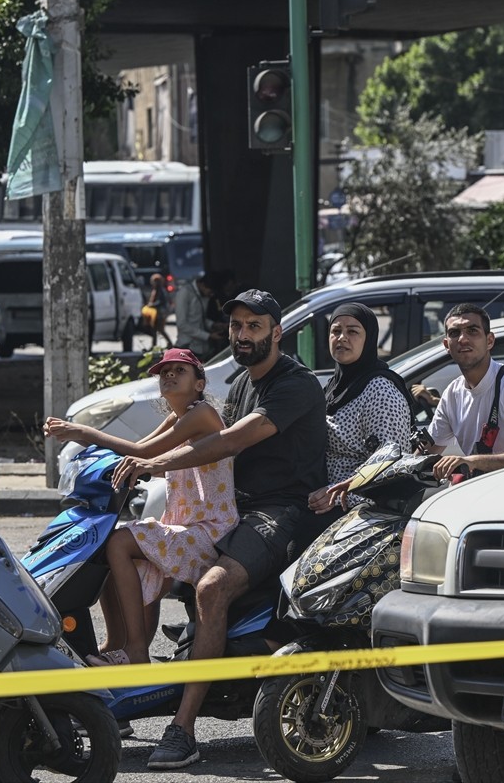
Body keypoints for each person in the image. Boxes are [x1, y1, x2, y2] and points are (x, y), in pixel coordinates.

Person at [112, 289, 327, 770]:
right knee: (128, 546)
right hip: (236, 512)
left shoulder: (295, 385)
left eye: (254, 326)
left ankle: (183, 729)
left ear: (277, 332)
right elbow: (185, 436)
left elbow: (228, 440)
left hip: (282, 513)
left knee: (211, 586)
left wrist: (155, 463)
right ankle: (131, 666)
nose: (244, 335)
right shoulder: (243, 384)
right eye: (237, 326)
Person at [43, 348, 238, 667]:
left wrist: (83, 433)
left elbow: (142, 451)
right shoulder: (177, 418)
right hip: (186, 527)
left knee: (119, 541)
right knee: (110, 546)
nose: (170, 376)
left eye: (179, 370)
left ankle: (136, 650)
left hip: (209, 531)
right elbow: (143, 458)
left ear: (199, 384)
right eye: (165, 372)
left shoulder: (201, 415)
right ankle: (117, 644)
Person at [339, 303, 504, 494]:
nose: (463, 339)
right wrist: (361, 481)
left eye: (472, 331)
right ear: (446, 345)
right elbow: (422, 454)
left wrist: (468, 461)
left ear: (489, 341)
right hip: (487, 494)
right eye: (454, 333)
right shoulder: (453, 393)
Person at [306, 304, 414, 523]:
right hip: (323, 502)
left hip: (364, 511)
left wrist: (337, 496)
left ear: (369, 338)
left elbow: (392, 470)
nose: (342, 338)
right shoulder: (334, 387)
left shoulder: (380, 391)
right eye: (335, 331)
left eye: (353, 332)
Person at [174, 273, 214, 357]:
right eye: (210, 291)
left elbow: (198, 318)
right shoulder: (185, 293)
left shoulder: (202, 294)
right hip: (187, 346)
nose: (211, 295)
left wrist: (213, 325)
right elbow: (182, 324)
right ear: (202, 285)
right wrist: (208, 336)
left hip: (201, 347)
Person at [144, 273, 174, 347]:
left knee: (160, 329)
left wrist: (152, 305)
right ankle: (154, 345)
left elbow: (161, 301)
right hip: (156, 313)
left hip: (160, 314)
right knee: (154, 330)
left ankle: (169, 343)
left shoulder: (161, 290)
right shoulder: (157, 290)